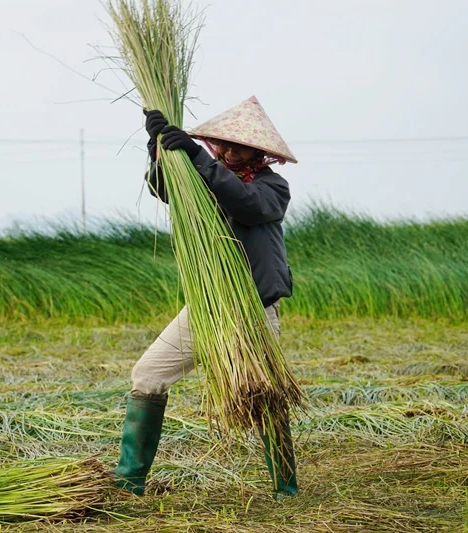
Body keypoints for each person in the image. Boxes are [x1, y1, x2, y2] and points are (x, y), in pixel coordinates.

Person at [113, 96, 299, 499]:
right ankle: (128, 483)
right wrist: (159, 148)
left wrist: (195, 154)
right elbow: (165, 190)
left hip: (251, 308)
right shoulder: (203, 173)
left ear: (259, 152)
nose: (229, 151)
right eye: (222, 144)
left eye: (239, 146)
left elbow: (247, 205)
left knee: (263, 392)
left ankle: (285, 489)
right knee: (148, 375)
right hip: (205, 305)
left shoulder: (272, 187)